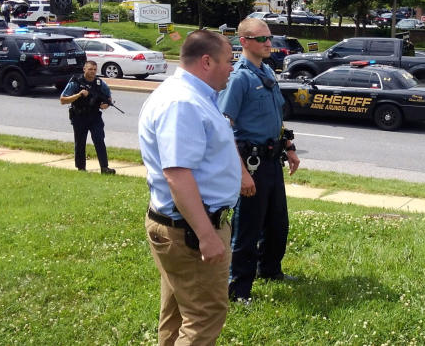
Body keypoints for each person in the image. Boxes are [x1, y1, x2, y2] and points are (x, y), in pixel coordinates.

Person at [139, 30, 246, 345]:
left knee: (175, 315)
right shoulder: (182, 103)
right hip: (188, 232)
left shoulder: (193, 95)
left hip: (182, 228)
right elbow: (178, 175)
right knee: (204, 316)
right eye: (230, 60)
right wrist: (207, 235)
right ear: (206, 61)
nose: (233, 68)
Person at [218, 18, 301, 302]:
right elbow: (223, 128)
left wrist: (288, 145)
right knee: (247, 227)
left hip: (271, 159)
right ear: (244, 42)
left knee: (277, 221)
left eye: (270, 38)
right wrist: (241, 173)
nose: (269, 43)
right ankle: (238, 288)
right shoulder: (239, 77)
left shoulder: (266, 71)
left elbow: (275, 115)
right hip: (249, 162)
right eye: (262, 39)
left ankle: (270, 269)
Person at [59, 60, 114, 174]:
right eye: (90, 69)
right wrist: (78, 95)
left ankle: (104, 167)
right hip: (79, 116)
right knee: (80, 142)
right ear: (84, 69)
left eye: (94, 69)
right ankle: (81, 168)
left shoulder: (100, 83)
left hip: (95, 117)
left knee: (99, 140)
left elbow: (108, 98)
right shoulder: (76, 82)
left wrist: (106, 104)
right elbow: (63, 100)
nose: (92, 72)